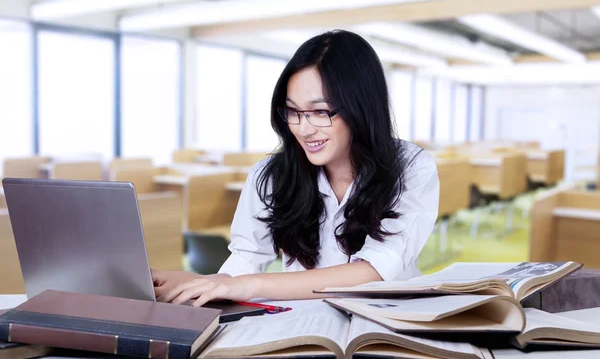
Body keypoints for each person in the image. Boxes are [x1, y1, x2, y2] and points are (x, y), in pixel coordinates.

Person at [153, 30, 440, 307]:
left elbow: (373, 272)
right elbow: (245, 261)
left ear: (360, 108)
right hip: (305, 327)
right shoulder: (270, 176)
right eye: (293, 111)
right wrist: (197, 282)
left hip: (388, 325)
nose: (303, 129)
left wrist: (253, 285)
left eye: (320, 112)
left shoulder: (411, 168)